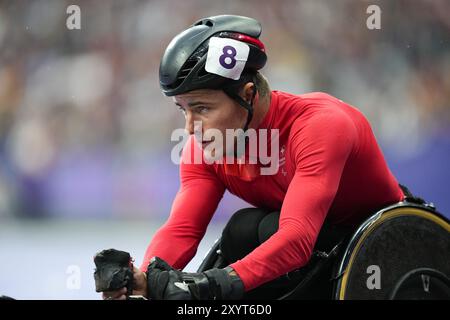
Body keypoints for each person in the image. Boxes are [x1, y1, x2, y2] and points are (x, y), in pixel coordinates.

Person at [101, 14, 405, 300]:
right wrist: (142, 279)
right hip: (324, 246)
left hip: (394, 249)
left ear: (248, 95)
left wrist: (207, 285)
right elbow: (183, 228)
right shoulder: (204, 146)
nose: (190, 128)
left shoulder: (321, 126)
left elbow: (297, 240)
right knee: (243, 229)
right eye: (184, 109)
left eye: (202, 108)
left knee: (261, 232)